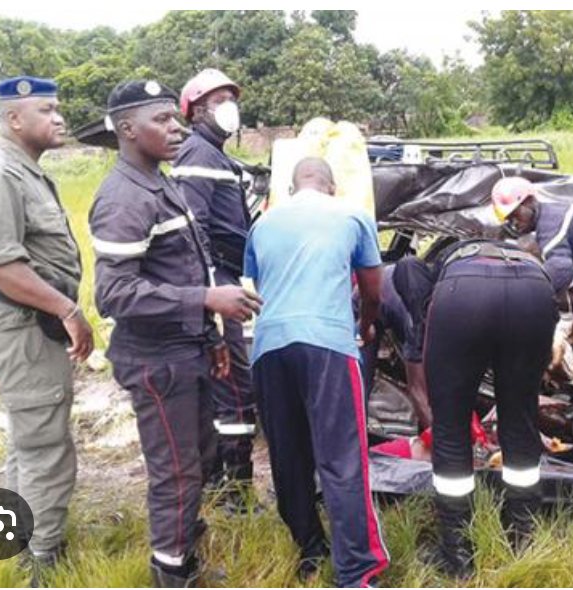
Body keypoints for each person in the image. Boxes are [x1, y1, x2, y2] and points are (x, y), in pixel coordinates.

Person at [89, 80, 261, 587]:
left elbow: (186, 264)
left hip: (187, 348)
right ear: (126, 129)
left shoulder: (159, 181)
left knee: (200, 458)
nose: (175, 128)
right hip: (156, 359)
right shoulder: (124, 198)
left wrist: (211, 340)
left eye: (174, 117)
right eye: (161, 120)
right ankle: (173, 572)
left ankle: (187, 549)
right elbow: (114, 294)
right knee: (177, 473)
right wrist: (206, 301)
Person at [0, 76, 93, 584]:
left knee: (30, 440)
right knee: (45, 446)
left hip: (31, 326)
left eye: (58, 108)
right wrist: (67, 310)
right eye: (47, 110)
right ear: (14, 119)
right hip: (23, 327)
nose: (58, 118)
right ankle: (42, 560)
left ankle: (17, 538)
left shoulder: (23, 170)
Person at [244, 157, 388, 588]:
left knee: (288, 455)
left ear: (290, 189)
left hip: (268, 348)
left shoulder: (263, 224)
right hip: (327, 344)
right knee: (342, 458)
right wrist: (365, 325)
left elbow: (257, 283)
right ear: (332, 186)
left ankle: (310, 550)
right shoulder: (352, 214)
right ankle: (358, 571)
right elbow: (373, 288)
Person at [393, 238, 558, 578]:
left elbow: (408, 268)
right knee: (520, 419)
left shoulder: (432, 265)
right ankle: (522, 538)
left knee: (451, 427)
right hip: (535, 291)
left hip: (463, 295)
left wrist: (422, 323)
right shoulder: (518, 252)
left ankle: (457, 555)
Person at [173, 69, 258, 506]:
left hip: (226, 277)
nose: (230, 107)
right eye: (220, 99)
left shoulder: (216, 155)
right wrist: (212, 291)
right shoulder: (197, 155)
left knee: (227, 383)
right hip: (216, 283)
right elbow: (195, 229)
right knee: (234, 384)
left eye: (231, 98)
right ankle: (235, 489)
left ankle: (221, 480)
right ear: (197, 111)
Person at [491, 176, 573, 446]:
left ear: (530, 201)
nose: (514, 223)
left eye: (515, 215)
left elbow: (560, 271)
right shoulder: (555, 216)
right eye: (508, 219)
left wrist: (527, 302)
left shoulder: (550, 224)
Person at [357, 263, 432, 431]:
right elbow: (417, 390)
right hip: (367, 310)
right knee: (359, 386)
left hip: (392, 295)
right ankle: (355, 443)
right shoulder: (418, 320)